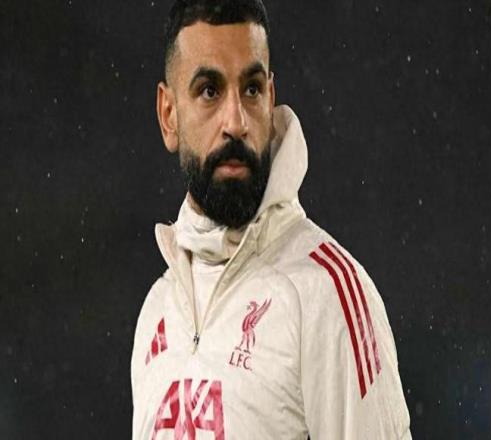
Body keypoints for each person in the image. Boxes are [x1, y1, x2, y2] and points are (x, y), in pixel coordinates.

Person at [131, 0, 412, 438]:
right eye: (209, 91)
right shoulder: (158, 309)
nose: (236, 121)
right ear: (169, 115)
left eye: (251, 89)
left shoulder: (326, 295)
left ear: (271, 98)